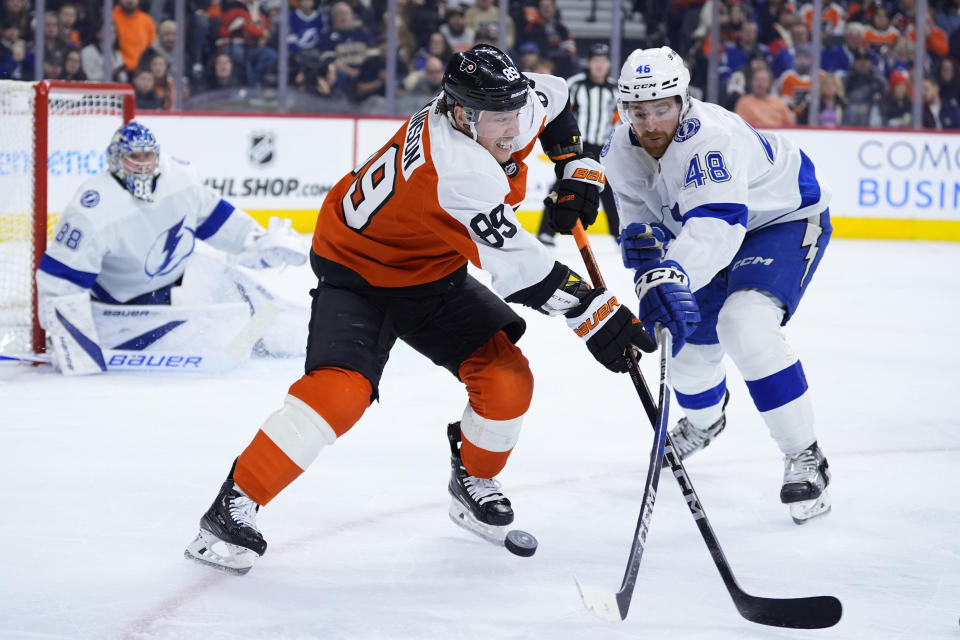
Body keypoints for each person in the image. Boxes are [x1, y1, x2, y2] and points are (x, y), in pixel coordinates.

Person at [184, 44, 654, 576]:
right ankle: (232, 505)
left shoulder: (505, 105)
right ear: (460, 113)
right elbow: (524, 271)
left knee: (507, 381)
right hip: (357, 268)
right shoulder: (454, 169)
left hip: (429, 270)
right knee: (338, 393)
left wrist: (577, 169)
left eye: (514, 113)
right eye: (497, 118)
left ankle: (471, 478)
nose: (510, 128)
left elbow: (559, 103)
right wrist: (599, 315)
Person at [602, 46, 833, 525]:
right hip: (704, 238)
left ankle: (805, 455)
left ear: (683, 100)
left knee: (744, 324)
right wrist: (650, 270)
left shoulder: (711, 137)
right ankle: (707, 423)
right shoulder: (620, 152)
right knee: (682, 351)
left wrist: (673, 274)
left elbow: (718, 225)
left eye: (661, 108)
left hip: (779, 222)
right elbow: (642, 232)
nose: (649, 124)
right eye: (637, 112)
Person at [35, 121, 309, 375]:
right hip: (127, 309)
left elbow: (216, 218)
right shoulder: (92, 210)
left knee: (251, 298)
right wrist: (69, 340)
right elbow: (61, 282)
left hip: (183, 276)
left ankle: (308, 336)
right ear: (116, 160)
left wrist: (257, 242)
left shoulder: (180, 179)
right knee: (219, 334)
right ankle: (255, 337)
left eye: (148, 156)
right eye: (134, 158)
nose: (143, 165)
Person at [538, 42, 620, 245]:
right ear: (589, 63)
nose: (599, 65)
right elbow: (561, 113)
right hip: (578, 147)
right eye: (596, 61)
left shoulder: (615, 91)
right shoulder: (575, 85)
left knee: (609, 191)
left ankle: (618, 234)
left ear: (608, 64)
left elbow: (619, 121)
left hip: (603, 148)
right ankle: (547, 230)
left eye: (603, 61)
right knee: (564, 185)